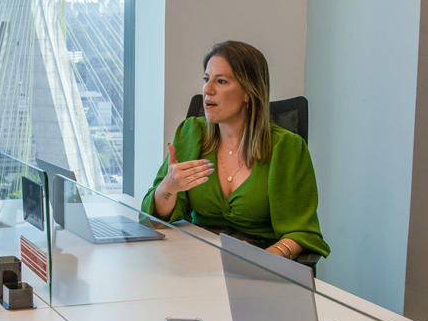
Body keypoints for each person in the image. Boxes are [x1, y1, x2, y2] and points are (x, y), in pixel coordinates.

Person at [141, 40, 329, 259]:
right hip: (197, 258)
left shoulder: (287, 148)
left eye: (221, 81)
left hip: (260, 263)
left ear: (248, 92)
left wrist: (266, 260)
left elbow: (301, 231)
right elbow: (154, 220)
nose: (207, 90)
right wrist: (169, 188)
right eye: (206, 79)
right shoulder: (191, 133)